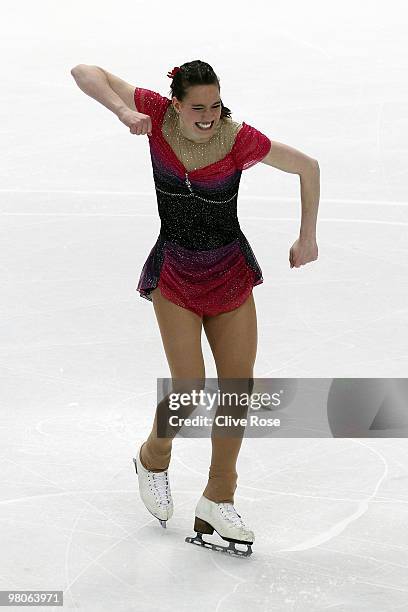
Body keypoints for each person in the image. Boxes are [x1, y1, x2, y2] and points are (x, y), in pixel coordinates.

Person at [70, 59, 320, 556]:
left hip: (228, 273)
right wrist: (122, 111)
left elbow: (307, 167)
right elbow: (84, 71)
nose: (208, 115)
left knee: (236, 390)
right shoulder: (156, 116)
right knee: (187, 391)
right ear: (178, 104)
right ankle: (153, 457)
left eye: (215, 105)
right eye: (198, 106)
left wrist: (307, 235)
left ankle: (218, 497)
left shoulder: (238, 139)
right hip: (176, 274)